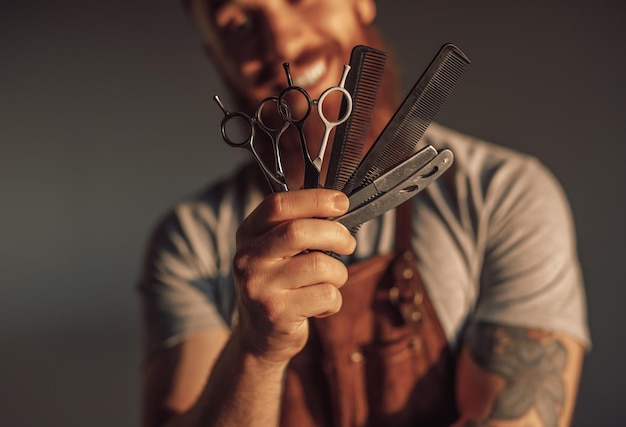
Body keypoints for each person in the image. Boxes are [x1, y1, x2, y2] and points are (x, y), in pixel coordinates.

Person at [138, 1, 590, 426]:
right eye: (239, 23)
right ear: (213, 53)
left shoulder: (503, 195)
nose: (284, 44)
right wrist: (256, 352)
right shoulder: (190, 242)